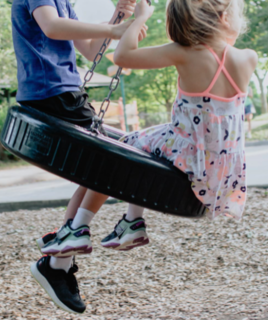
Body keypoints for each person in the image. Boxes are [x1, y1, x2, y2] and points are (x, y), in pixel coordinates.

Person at [40, 0, 258, 270]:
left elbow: (122, 56)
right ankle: (132, 222)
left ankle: (80, 226)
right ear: (224, 18)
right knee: (143, 148)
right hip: (222, 169)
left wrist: (141, 18)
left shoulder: (184, 53)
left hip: (188, 151)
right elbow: (227, 46)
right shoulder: (248, 57)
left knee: (119, 151)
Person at [11, 0, 148, 314]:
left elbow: (89, 51)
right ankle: (59, 261)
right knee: (114, 163)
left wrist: (121, 16)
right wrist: (114, 28)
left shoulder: (64, 3)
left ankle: (60, 260)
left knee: (99, 172)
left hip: (65, 93)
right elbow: (51, 27)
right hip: (52, 93)